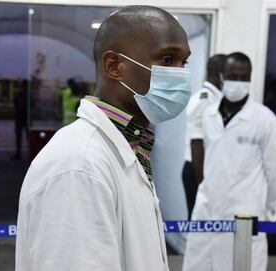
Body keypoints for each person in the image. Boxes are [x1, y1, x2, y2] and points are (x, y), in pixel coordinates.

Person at [16, 5, 191, 271]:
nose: (180, 74)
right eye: (167, 60)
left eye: (183, 62)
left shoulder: (130, 147)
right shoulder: (78, 165)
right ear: (114, 66)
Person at [183, 52, 276, 271]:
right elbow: (201, 153)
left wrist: (268, 204)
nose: (238, 83)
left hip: (246, 212)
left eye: (244, 77)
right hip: (207, 208)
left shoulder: (265, 120)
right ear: (222, 76)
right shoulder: (208, 113)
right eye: (233, 76)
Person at [182, 54, 227, 218]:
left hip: (206, 170)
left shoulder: (217, 98)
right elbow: (196, 144)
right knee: (198, 225)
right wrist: (203, 186)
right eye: (228, 73)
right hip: (197, 170)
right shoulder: (204, 100)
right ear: (218, 72)